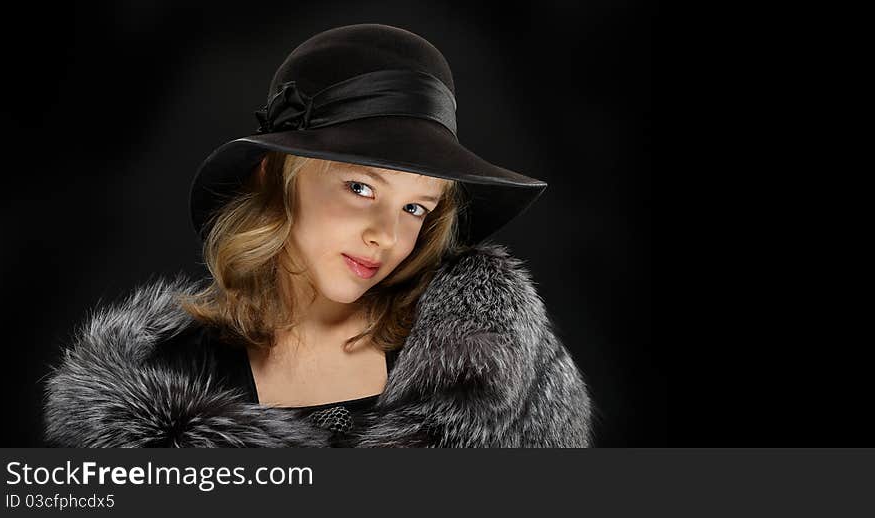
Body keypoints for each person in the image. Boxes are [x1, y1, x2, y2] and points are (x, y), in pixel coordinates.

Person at [42, 23, 593, 447]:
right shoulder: (159, 385)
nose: (386, 236)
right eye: (360, 187)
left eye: (415, 207)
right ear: (275, 177)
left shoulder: (494, 361)